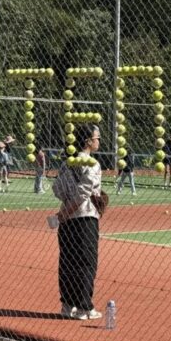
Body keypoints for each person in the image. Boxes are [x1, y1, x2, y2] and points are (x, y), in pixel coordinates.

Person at [55, 124, 105, 320]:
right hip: (84, 218)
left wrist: (65, 208)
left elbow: (57, 189)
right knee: (86, 263)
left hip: (66, 221)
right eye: (97, 137)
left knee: (67, 261)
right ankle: (85, 307)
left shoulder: (68, 163)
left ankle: (68, 305)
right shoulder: (92, 163)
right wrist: (71, 208)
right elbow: (84, 193)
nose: (98, 140)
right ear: (88, 141)